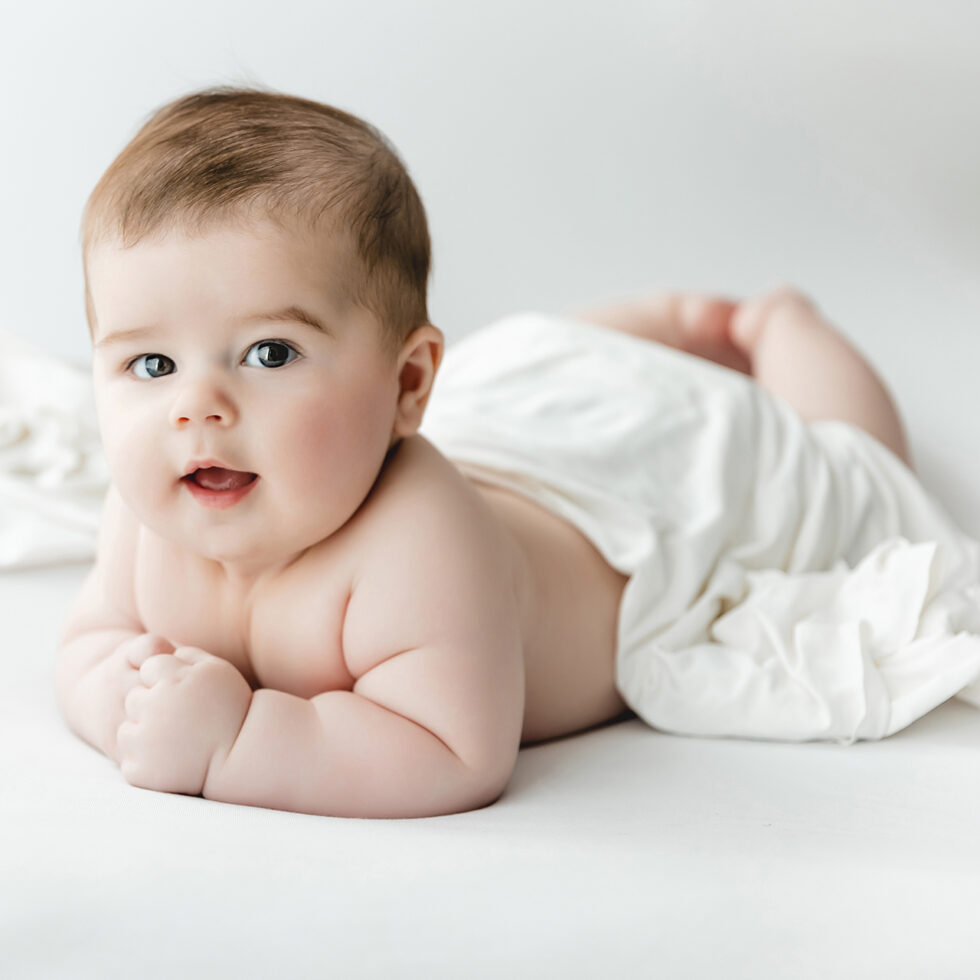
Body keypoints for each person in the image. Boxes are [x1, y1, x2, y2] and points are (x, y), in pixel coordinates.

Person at [54, 86, 980, 819]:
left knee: (843, 476)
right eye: (150, 363)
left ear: (408, 389)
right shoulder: (150, 517)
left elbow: (452, 752)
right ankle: (669, 320)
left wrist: (236, 741)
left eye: (270, 354)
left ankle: (772, 321)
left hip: (641, 510)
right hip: (515, 423)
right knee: (538, 363)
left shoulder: (417, 544)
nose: (196, 409)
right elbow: (90, 644)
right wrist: (126, 706)